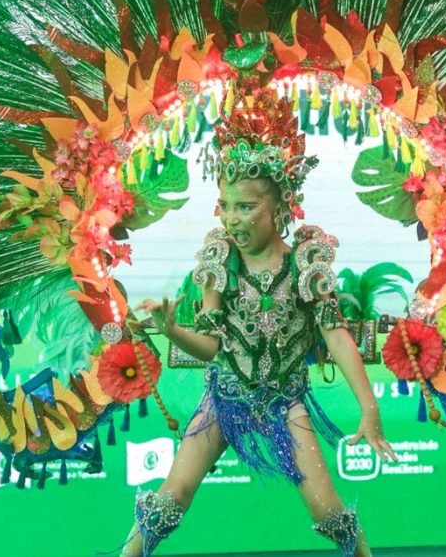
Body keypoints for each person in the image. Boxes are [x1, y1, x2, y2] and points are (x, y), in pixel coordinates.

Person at [123, 110, 397, 557]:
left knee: (328, 512)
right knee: (170, 500)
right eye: (226, 206)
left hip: (286, 402)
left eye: (246, 207)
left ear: (279, 207)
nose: (232, 219)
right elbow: (209, 348)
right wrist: (171, 330)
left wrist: (370, 408)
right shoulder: (219, 265)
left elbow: (336, 336)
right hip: (225, 399)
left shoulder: (305, 265)